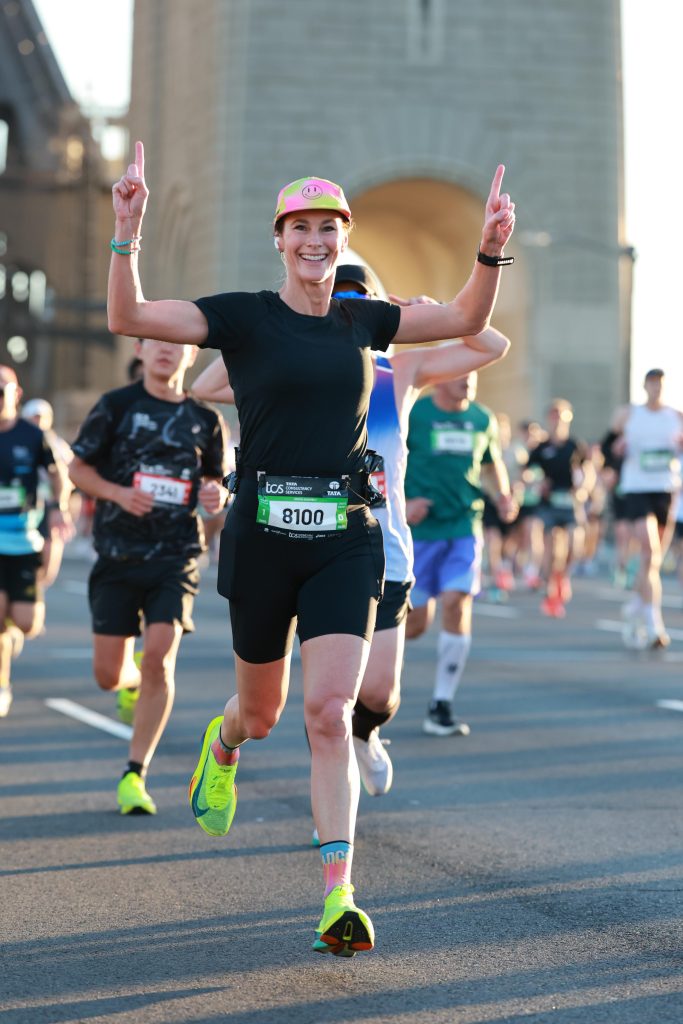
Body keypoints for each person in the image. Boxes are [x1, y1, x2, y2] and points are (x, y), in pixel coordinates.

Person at [107, 141, 515, 956]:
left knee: (328, 712)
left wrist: (490, 250)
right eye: (301, 227)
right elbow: (131, 318)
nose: (315, 240)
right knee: (260, 715)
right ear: (280, 237)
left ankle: (338, 895)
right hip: (262, 539)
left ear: (343, 237)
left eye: (329, 227)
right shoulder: (243, 316)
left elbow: (471, 323)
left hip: (346, 539)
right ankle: (220, 745)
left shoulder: (364, 321)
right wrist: (128, 230)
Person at [191, 264, 511, 803]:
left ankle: (365, 732)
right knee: (293, 704)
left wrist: (429, 309)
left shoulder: (399, 371)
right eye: (339, 295)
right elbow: (204, 385)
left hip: (379, 546)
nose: (346, 305)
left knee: (380, 693)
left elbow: (491, 345)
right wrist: (275, 340)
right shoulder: (289, 360)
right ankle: (319, 776)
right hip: (291, 541)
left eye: (360, 299)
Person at [69, 338, 229, 814]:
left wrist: (215, 500)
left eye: (176, 343)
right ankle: (131, 683)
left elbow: (215, 484)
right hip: (118, 556)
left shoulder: (205, 420)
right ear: (139, 349)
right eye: (155, 341)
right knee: (107, 676)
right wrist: (117, 494)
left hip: (175, 558)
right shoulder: (116, 406)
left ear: (191, 355)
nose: (165, 349)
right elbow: (77, 468)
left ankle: (134, 774)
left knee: (160, 657)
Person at [404, 372, 515, 736]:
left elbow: (490, 463)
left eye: (473, 374)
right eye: (460, 373)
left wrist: (502, 493)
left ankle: (441, 704)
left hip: (464, 526)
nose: (468, 379)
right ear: (439, 379)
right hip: (419, 531)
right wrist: (402, 504)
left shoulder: (482, 419)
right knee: (416, 623)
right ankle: (359, 660)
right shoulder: (414, 414)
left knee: (457, 602)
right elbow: (385, 459)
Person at [0, 367, 72, 718]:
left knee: (27, 623)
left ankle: (12, 635)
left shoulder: (33, 435)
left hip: (24, 541)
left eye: (3, 389)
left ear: (16, 393)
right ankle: (2, 684)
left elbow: (59, 473)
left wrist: (59, 509)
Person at [611, 369, 683, 649]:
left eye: (660, 385)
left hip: (665, 490)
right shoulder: (629, 415)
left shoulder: (675, 417)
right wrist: (616, 450)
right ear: (645, 386)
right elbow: (607, 447)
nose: (656, 389)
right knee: (649, 551)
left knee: (650, 560)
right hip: (636, 489)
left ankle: (636, 606)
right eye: (652, 384)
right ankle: (654, 625)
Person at [527, 399, 593, 618]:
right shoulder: (541, 448)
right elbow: (528, 473)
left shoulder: (575, 445)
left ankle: (563, 576)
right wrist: (538, 483)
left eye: (561, 415)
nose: (557, 420)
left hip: (570, 501)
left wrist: (583, 487)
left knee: (575, 544)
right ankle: (551, 590)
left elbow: (588, 471)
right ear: (549, 418)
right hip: (548, 503)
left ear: (568, 418)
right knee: (551, 549)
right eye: (553, 415)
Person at [21, 398, 75, 589]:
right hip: (23, 508)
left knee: (49, 553)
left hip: (50, 506)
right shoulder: (13, 441)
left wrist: (61, 507)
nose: (39, 421)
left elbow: (69, 477)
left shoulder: (59, 446)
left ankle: (39, 590)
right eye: (34, 417)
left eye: (42, 417)